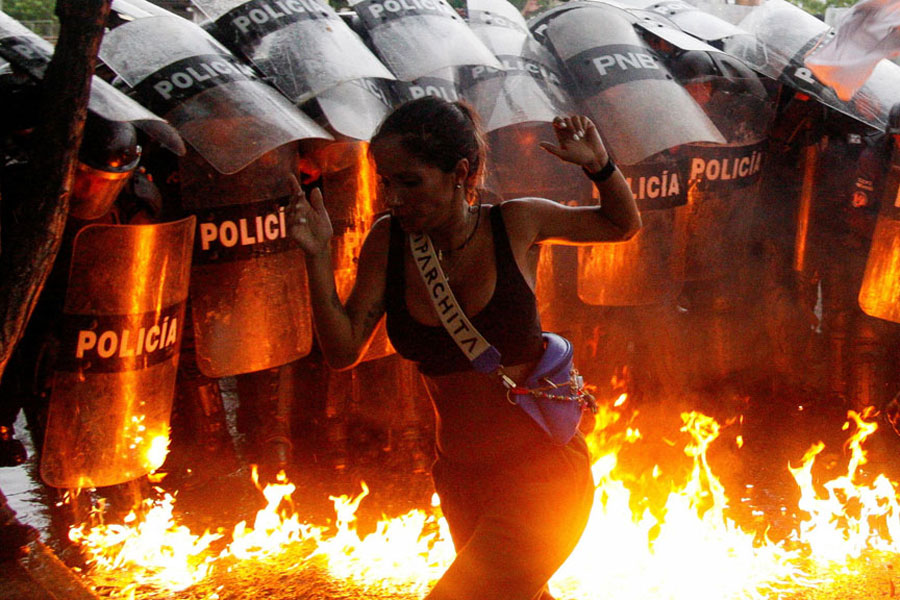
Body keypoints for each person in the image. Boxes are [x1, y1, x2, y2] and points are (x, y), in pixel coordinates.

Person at [291, 96, 641, 600]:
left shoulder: (516, 223)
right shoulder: (388, 242)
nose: (394, 198)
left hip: (542, 479)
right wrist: (317, 256)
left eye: (410, 182)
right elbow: (343, 350)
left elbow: (620, 226)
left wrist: (601, 167)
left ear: (459, 172)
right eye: (387, 182)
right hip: (460, 481)